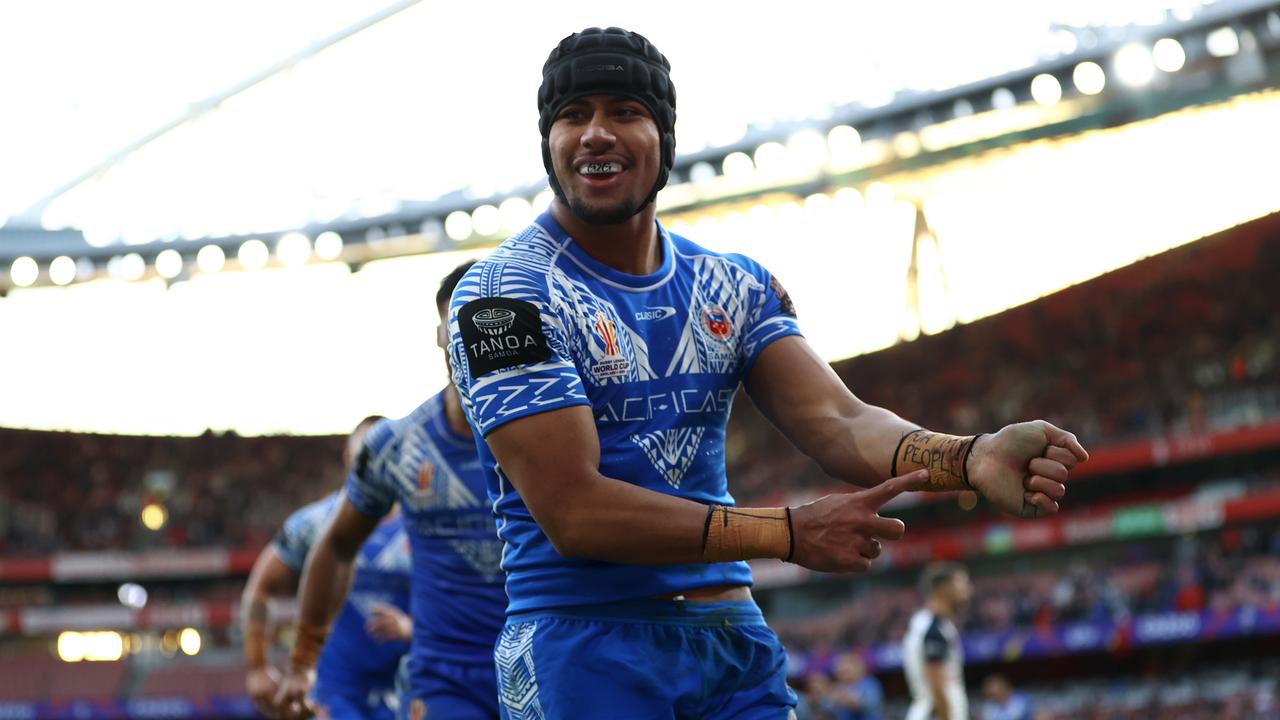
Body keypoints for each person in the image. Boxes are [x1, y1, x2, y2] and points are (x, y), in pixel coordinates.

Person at [447, 26, 1089, 719]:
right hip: (581, 648)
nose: (595, 133)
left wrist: (971, 456)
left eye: (624, 111)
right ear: (548, 142)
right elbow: (575, 511)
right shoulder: (503, 299)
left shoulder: (733, 286)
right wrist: (784, 532)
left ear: (664, 136)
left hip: (730, 644)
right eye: (573, 116)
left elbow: (840, 422)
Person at [276, 260, 507, 720]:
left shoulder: (554, 438)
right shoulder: (397, 446)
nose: (472, 340)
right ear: (439, 335)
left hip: (536, 665)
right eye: (458, 325)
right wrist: (303, 664)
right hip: (443, 681)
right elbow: (337, 546)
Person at [241, 415, 414, 720]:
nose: (376, 459)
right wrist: (257, 667)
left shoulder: (425, 523)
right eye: (366, 450)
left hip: (411, 689)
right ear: (349, 455)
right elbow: (262, 585)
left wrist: (413, 629)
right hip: (334, 695)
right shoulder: (314, 523)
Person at [903, 563, 973, 720]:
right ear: (943, 589)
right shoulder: (933, 628)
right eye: (962, 583)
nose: (968, 590)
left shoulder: (928, 623)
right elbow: (937, 686)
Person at [828, 652, 884, 720]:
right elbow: (829, 706)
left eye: (847, 670)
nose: (844, 673)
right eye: (842, 671)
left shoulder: (869, 683)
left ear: (858, 668)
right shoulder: (838, 687)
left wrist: (848, 699)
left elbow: (869, 704)